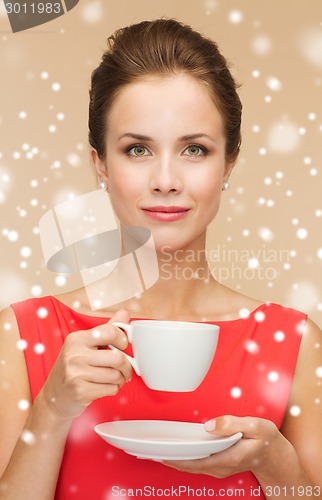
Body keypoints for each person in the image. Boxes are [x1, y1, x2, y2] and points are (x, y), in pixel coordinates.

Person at [0, 18, 321, 500]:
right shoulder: (24, 337)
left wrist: (274, 463)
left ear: (229, 162)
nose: (166, 179)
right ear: (101, 165)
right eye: (137, 149)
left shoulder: (293, 344)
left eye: (194, 149)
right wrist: (51, 409)